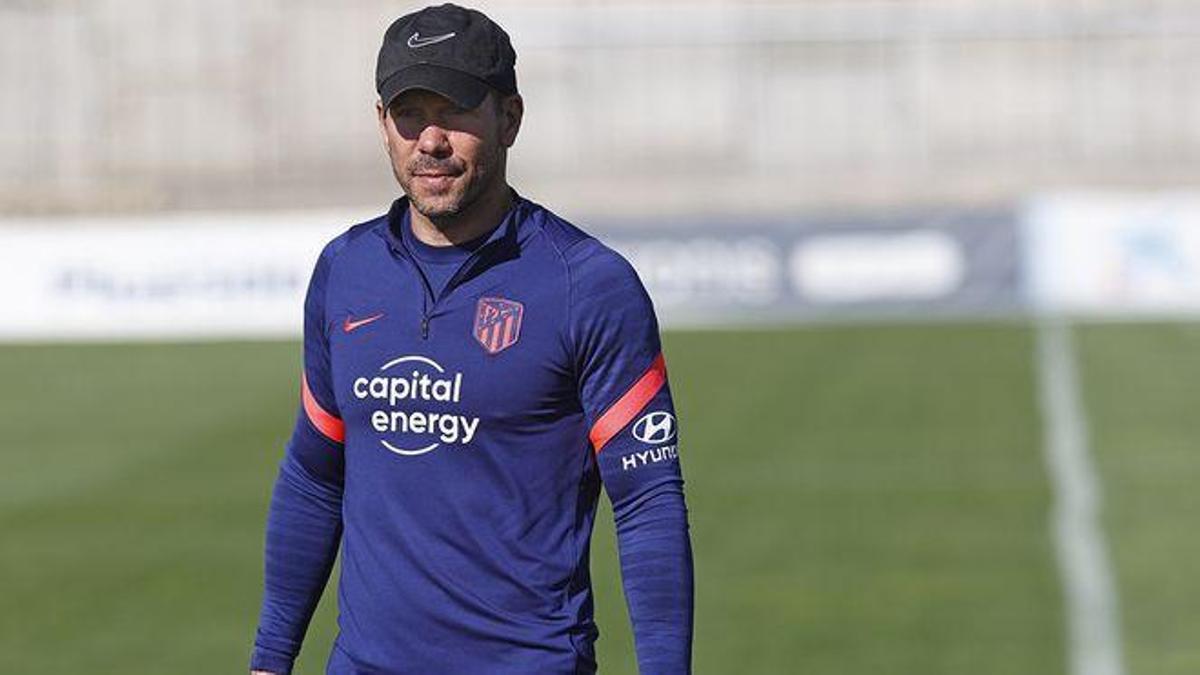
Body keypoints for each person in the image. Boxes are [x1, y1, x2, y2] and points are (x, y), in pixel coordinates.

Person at [249, 4, 693, 674]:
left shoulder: (589, 286)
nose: (430, 139)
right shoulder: (345, 271)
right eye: (408, 114)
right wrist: (269, 658)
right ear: (382, 125)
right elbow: (315, 475)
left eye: (454, 110)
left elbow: (648, 503)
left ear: (509, 118)